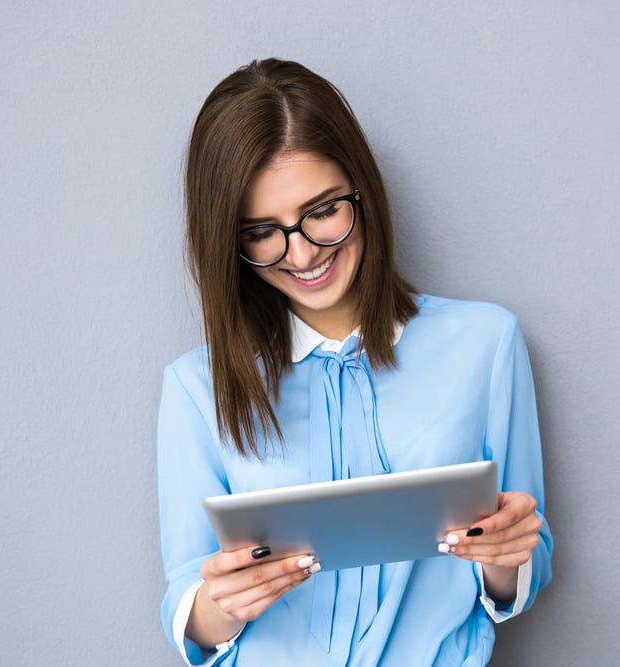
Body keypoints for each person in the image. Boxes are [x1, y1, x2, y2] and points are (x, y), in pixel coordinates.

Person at [157, 58, 553, 666]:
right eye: (262, 231)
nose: (303, 254)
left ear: (362, 190)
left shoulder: (487, 344)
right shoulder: (194, 387)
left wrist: (509, 554)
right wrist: (224, 602)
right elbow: (188, 601)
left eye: (321, 212)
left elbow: (523, 572)